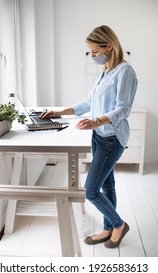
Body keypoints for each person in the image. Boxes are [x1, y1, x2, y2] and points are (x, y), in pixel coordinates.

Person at [40, 25, 138, 248]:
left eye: (95, 51)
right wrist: (61, 111)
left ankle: (118, 224)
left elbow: (123, 110)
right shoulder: (105, 70)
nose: (92, 56)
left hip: (111, 138)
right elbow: (89, 102)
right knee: (107, 186)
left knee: (91, 191)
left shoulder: (125, 72)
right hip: (98, 136)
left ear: (109, 46)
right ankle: (107, 229)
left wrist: (96, 121)